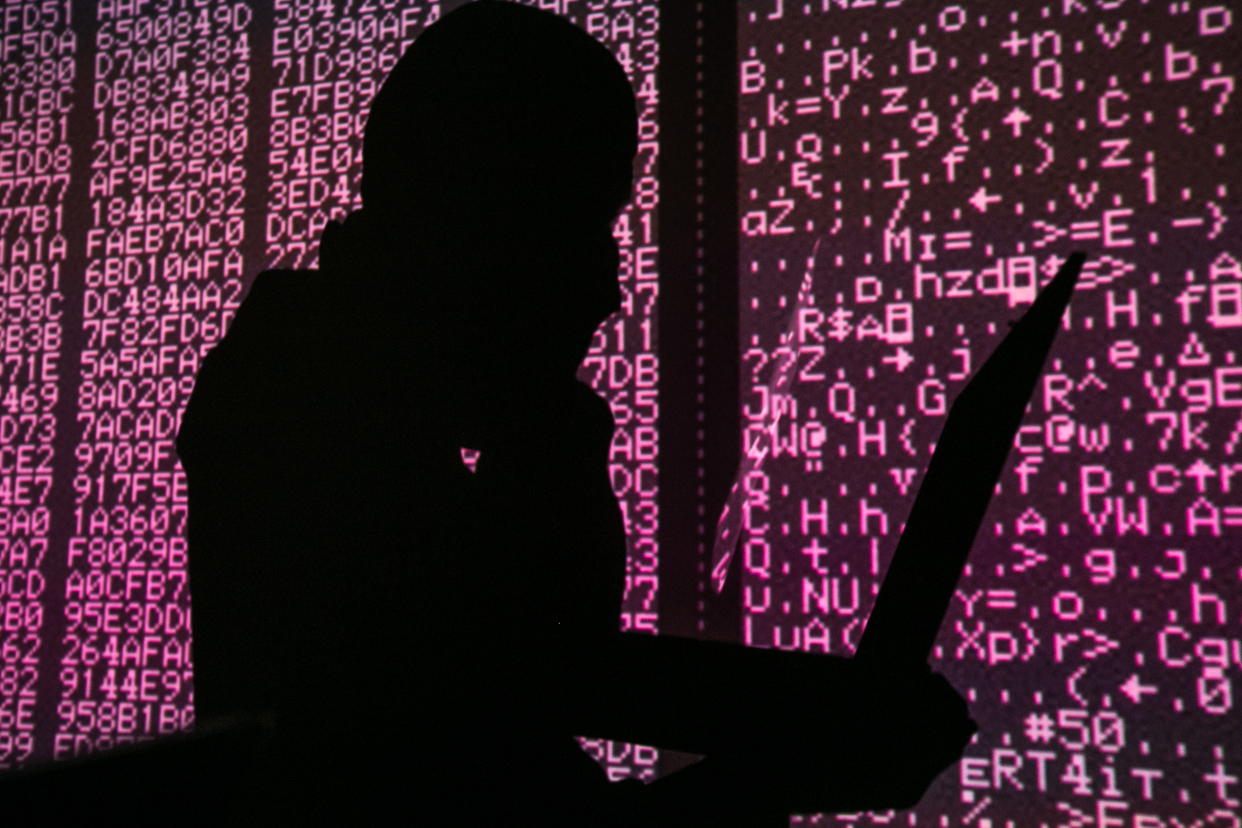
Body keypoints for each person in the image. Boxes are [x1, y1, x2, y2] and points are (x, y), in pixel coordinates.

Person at [174, 1, 976, 824]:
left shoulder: (314, 378)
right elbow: (513, 707)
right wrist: (808, 748)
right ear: (481, 215)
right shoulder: (312, 405)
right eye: (582, 224)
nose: (608, 288)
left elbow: (531, 700)